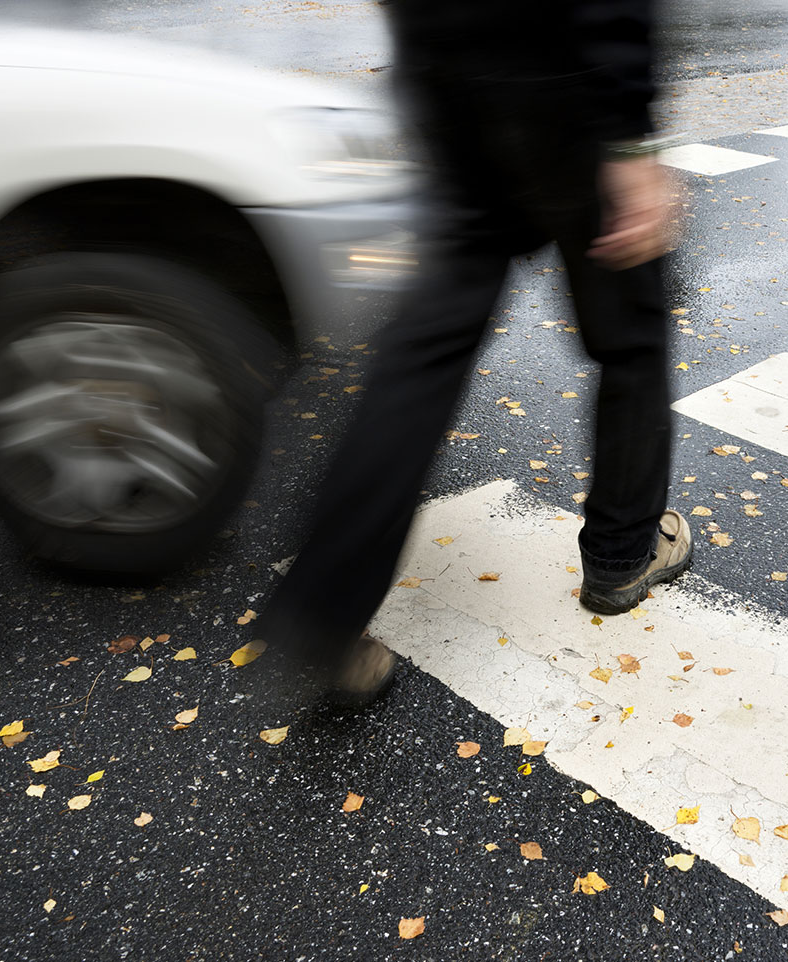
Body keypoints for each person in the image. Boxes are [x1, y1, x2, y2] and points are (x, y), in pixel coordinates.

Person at [255, 0, 691, 704]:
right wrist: (631, 139)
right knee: (631, 334)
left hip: (450, 80)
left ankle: (325, 612)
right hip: (564, 78)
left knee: (424, 352)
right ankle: (621, 555)